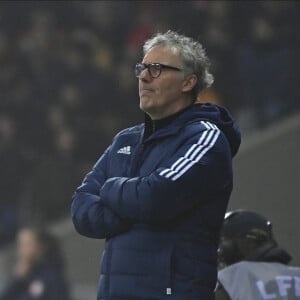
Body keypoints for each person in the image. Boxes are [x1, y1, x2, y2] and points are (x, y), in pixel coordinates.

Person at [71, 30, 241, 300]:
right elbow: (80, 207)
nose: (144, 76)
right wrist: (132, 206)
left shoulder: (205, 137)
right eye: (142, 68)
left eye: (157, 69)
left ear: (188, 82)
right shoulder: (124, 140)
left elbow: (155, 197)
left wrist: (111, 189)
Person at [216, 209, 300, 300]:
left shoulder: (230, 278)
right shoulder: (297, 274)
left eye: (223, 240)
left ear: (247, 242)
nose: (220, 249)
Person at [0, 226, 71, 300]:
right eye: (20, 245)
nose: (21, 250)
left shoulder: (52, 276)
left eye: (26, 245)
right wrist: (17, 280)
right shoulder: (23, 277)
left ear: (40, 246)